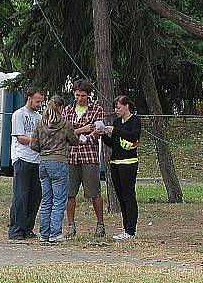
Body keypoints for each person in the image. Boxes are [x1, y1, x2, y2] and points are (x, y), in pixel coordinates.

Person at [30, 96, 81, 243]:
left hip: (44, 162)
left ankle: (44, 234)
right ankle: (55, 233)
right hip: (59, 162)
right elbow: (74, 141)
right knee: (59, 200)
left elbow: (33, 145)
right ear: (60, 108)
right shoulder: (65, 124)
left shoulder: (40, 124)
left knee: (46, 200)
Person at [63, 79, 106, 238]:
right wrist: (83, 130)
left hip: (89, 156)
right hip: (71, 157)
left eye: (83, 95)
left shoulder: (97, 109)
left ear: (88, 95)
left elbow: (96, 132)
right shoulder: (67, 110)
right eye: (77, 95)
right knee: (70, 193)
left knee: (94, 192)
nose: (80, 98)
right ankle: (71, 225)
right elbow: (65, 132)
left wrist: (82, 137)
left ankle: (100, 224)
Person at [100, 95, 141, 240]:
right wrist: (104, 135)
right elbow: (114, 144)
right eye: (115, 108)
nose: (116, 110)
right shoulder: (117, 122)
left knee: (129, 195)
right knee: (120, 196)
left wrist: (115, 131)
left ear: (126, 106)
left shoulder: (135, 121)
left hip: (128, 163)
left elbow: (134, 136)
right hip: (116, 163)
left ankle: (131, 230)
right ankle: (125, 228)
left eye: (118, 107)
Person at [8, 87, 44, 240]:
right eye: (37, 101)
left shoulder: (39, 117)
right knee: (21, 195)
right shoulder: (19, 114)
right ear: (29, 98)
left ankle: (28, 227)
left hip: (37, 159)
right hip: (22, 158)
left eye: (41, 101)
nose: (39, 104)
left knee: (35, 196)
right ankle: (16, 228)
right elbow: (21, 138)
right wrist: (37, 141)